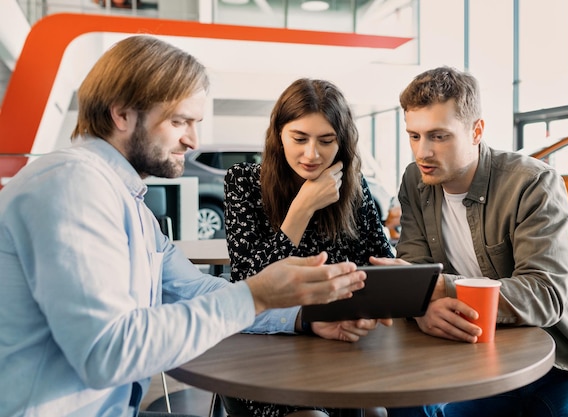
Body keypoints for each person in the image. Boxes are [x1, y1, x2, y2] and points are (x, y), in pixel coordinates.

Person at [0, 36, 372, 417]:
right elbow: (107, 352)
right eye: (180, 121)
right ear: (122, 115)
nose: (193, 141)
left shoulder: (126, 201)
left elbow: (191, 288)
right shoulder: (73, 187)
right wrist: (255, 295)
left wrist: (300, 316)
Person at [370, 66, 568, 417]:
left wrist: (436, 288)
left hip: (561, 365)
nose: (423, 152)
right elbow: (414, 272)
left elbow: (545, 296)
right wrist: (422, 307)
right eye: (414, 136)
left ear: (476, 131)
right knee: (412, 406)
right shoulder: (415, 181)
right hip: (472, 363)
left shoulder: (533, 183)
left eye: (438, 136)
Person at [222, 78, 395, 417]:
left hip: (342, 341)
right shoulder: (244, 182)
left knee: (376, 412)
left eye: (327, 141)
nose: (312, 154)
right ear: (279, 135)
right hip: (269, 347)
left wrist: (370, 307)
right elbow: (248, 280)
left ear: (341, 143)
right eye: (299, 139)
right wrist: (302, 208)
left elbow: (381, 263)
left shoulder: (353, 187)